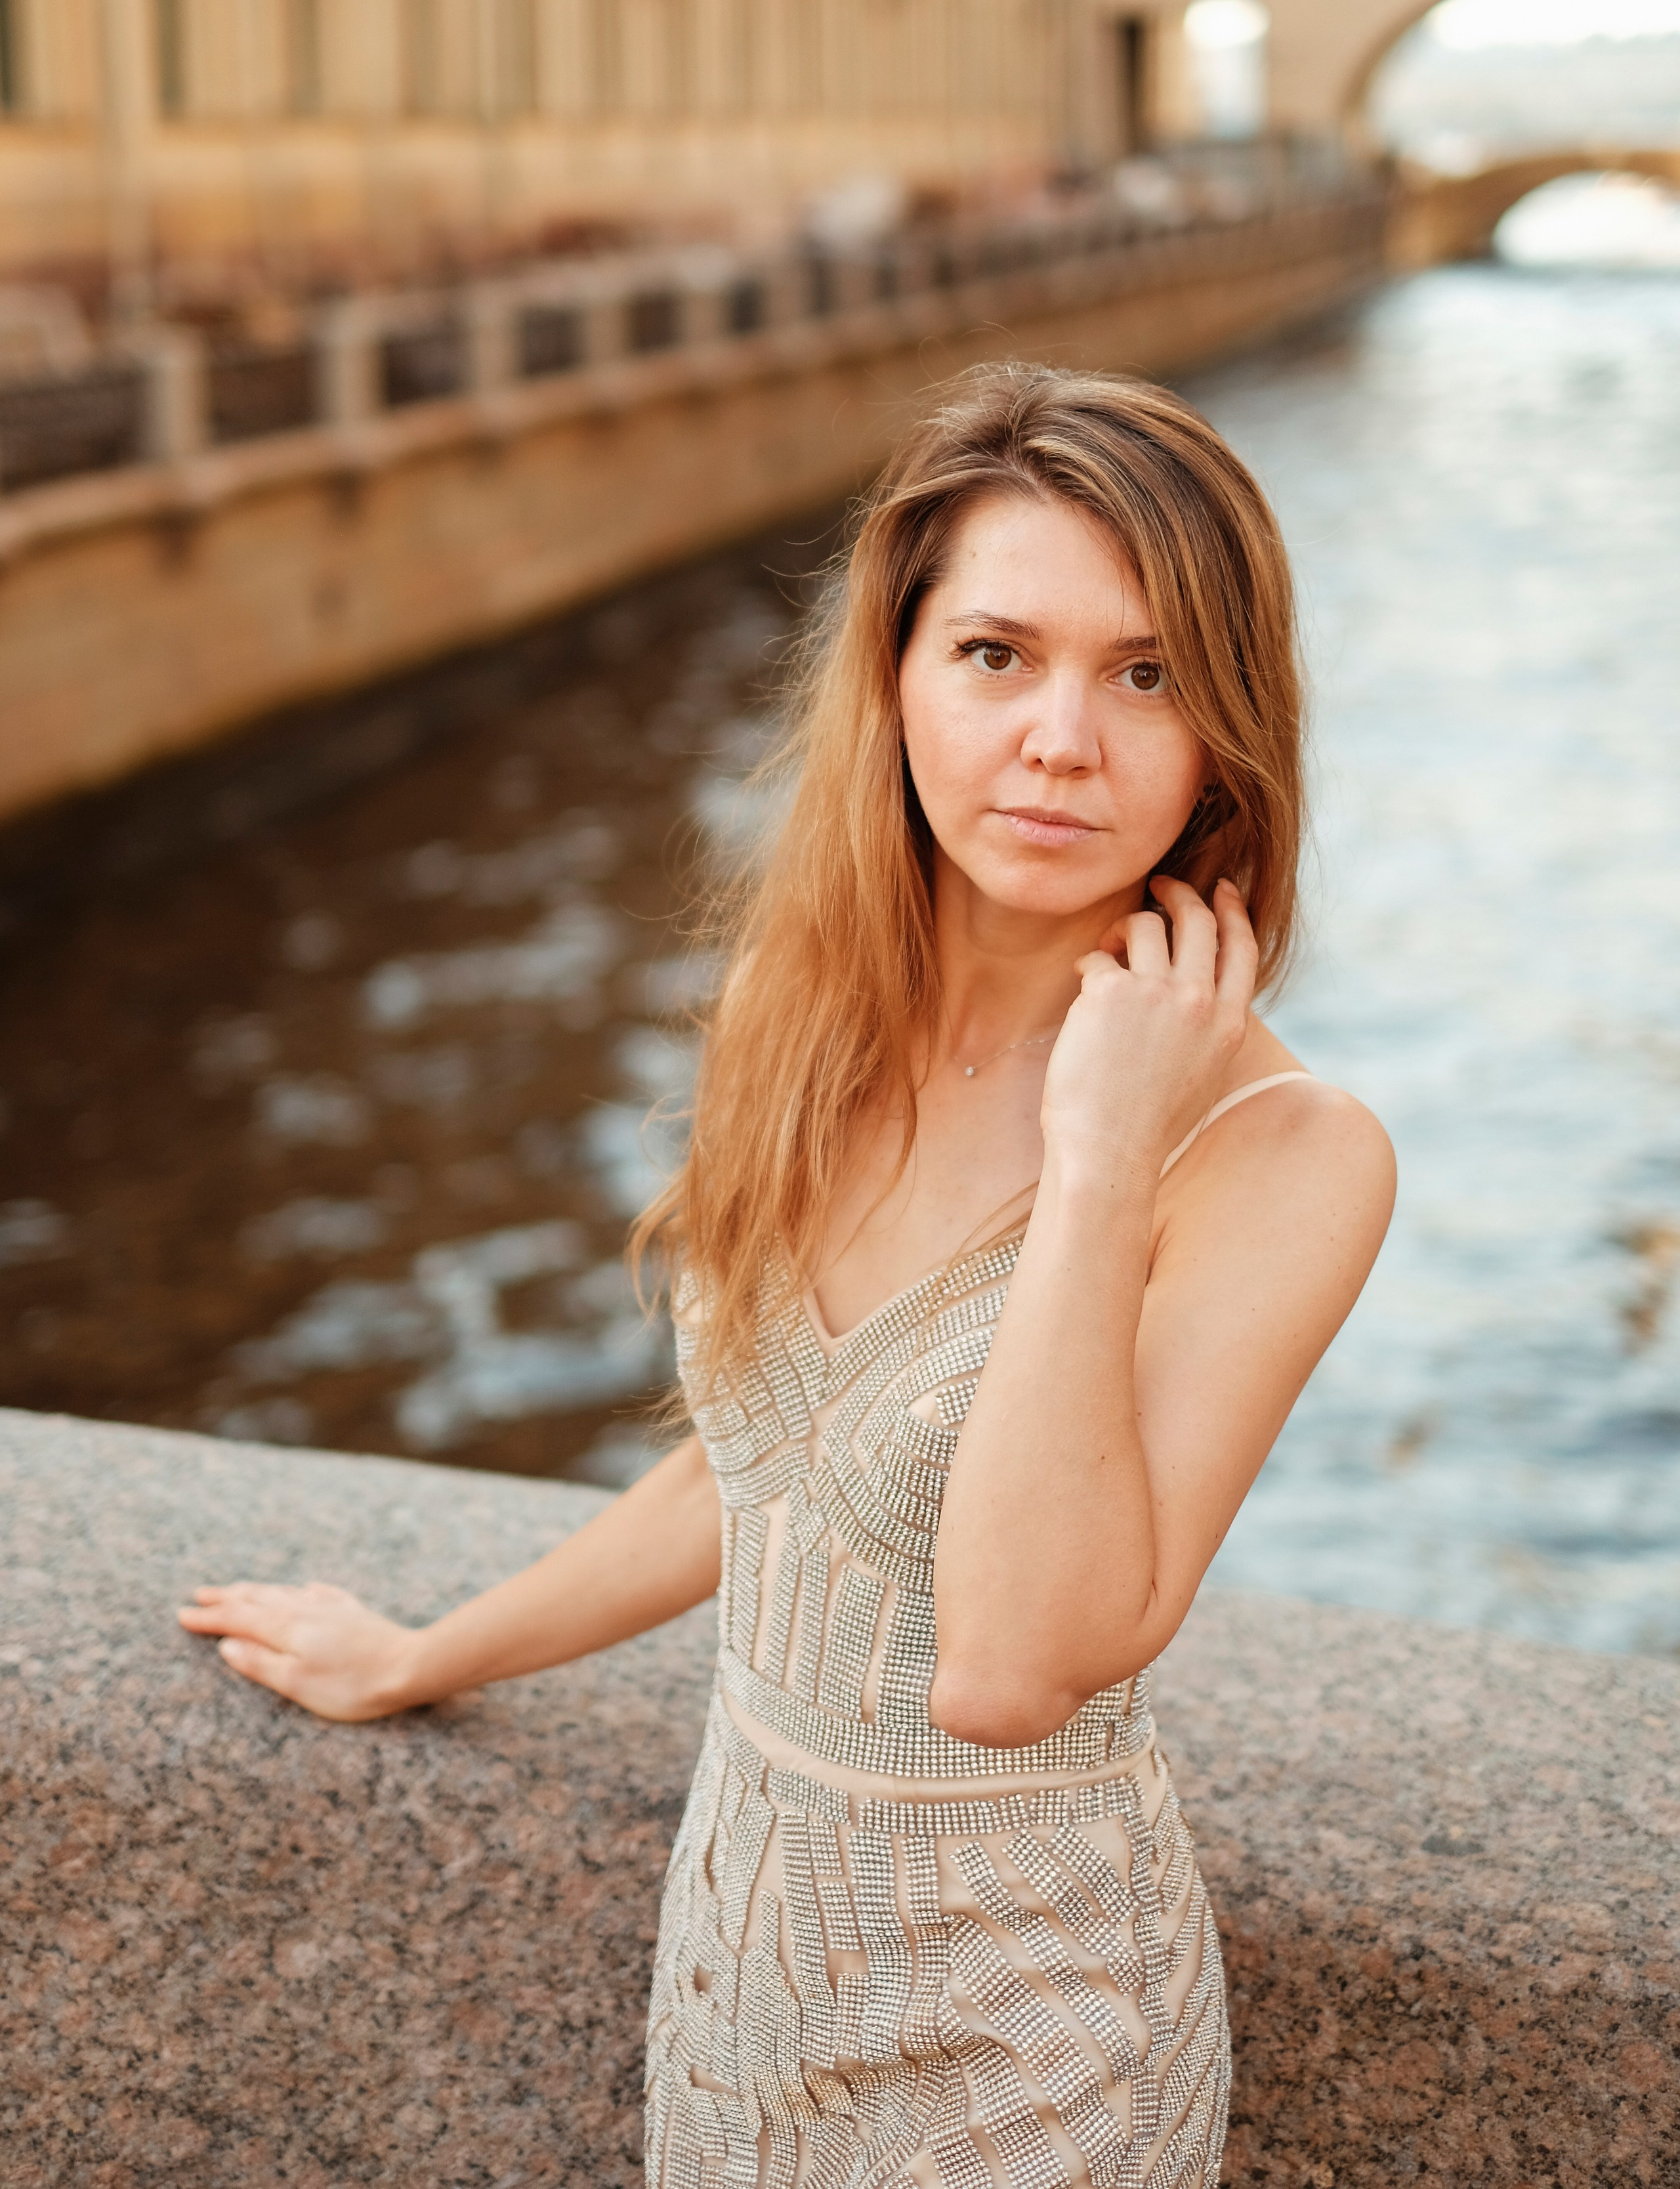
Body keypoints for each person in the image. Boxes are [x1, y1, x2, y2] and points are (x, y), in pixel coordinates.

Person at [180, 364, 1395, 2188]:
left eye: (1146, 674)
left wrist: (1097, 1157)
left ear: (1231, 728)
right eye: (996, 653)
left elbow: (1006, 1662)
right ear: (895, 678)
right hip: (741, 1992)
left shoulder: (1286, 1159)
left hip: (1036, 2051)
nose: (1063, 736)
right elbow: (764, 1469)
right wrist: (424, 1655)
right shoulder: (796, 1015)